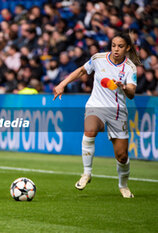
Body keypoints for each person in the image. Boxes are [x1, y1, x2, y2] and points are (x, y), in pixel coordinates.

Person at [53, 32, 140, 198]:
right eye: (114, 45)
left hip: (117, 111)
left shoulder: (130, 68)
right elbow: (81, 71)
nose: (116, 49)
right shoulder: (98, 58)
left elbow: (132, 93)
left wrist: (123, 87)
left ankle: (123, 186)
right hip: (96, 106)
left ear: (127, 48)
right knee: (90, 131)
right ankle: (87, 173)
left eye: (120, 46)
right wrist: (62, 84)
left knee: (122, 156)